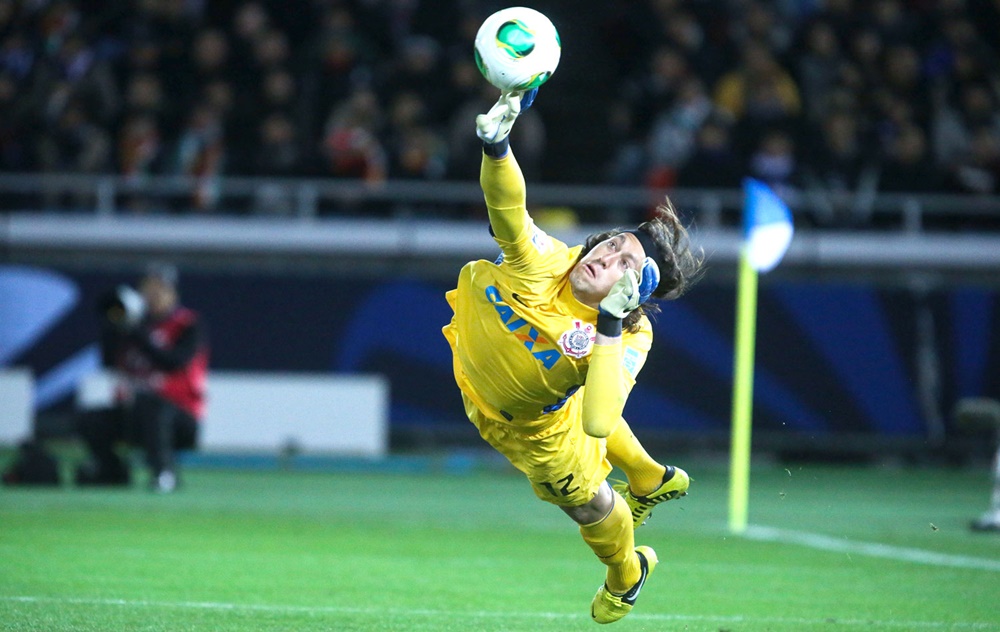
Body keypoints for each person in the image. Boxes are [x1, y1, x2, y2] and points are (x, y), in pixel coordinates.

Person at [442, 88, 703, 624]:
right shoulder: (548, 261)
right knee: (579, 375)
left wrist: (607, 323)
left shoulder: (629, 334)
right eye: (611, 243)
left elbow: (601, 418)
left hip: (536, 430)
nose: (605, 255)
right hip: (480, 375)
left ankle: (627, 574)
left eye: (623, 261)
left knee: (588, 506)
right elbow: (509, 207)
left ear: (635, 290)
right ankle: (650, 475)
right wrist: (497, 146)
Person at [75, 264, 209, 493]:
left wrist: (138, 333)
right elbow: (107, 362)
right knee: (90, 419)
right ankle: (112, 471)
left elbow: (173, 362)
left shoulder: (187, 324)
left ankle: (164, 473)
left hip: (180, 416)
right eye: (148, 289)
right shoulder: (131, 325)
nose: (153, 296)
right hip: (134, 413)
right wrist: (113, 327)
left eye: (160, 289)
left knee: (154, 407)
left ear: (173, 294)